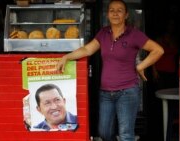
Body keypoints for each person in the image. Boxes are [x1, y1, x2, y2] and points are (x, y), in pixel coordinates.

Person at [56, 0, 164, 140]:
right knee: (104, 132)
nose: (115, 13)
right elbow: (87, 49)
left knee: (126, 133)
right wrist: (67, 57)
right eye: (112, 10)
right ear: (107, 14)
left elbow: (158, 50)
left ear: (126, 15)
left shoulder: (134, 34)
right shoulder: (103, 33)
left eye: (119, 10)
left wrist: (140, 66)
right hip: (106, 93)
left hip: (127, 91)